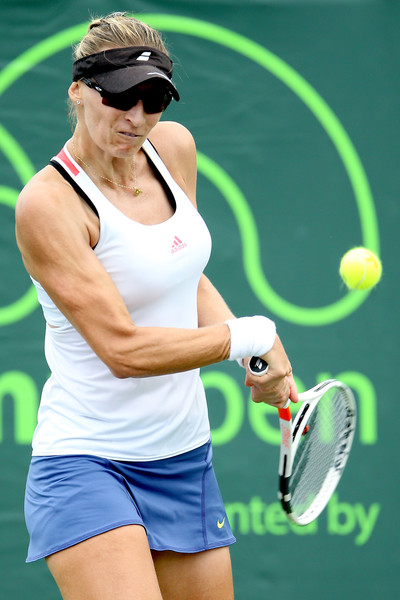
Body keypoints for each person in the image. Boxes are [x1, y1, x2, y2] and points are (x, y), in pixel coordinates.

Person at [15, 12, 298, 600]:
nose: (137, 118)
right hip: (87, 463)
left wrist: (257, 357)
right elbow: (122, 350)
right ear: (77, 92)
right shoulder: (49, 205)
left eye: (153, 101)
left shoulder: (172, 148)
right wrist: (246, 336)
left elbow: (183, 275)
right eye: (120, 98)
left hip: (182, 455)